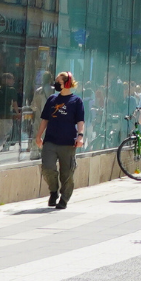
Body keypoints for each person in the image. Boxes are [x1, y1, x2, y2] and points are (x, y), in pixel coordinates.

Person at [34, 73, 85, 210]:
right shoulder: (52, 99)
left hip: (68, 142)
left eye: (58, 81)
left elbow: (80, 121)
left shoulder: (76, 101)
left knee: (67, 173)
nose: (56, 84)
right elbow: (45, 119)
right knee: (47, 168)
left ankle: (64, 198)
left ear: (67, 83)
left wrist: (80, 136)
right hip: (50, 140)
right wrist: (39, 136)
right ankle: (53, 191)